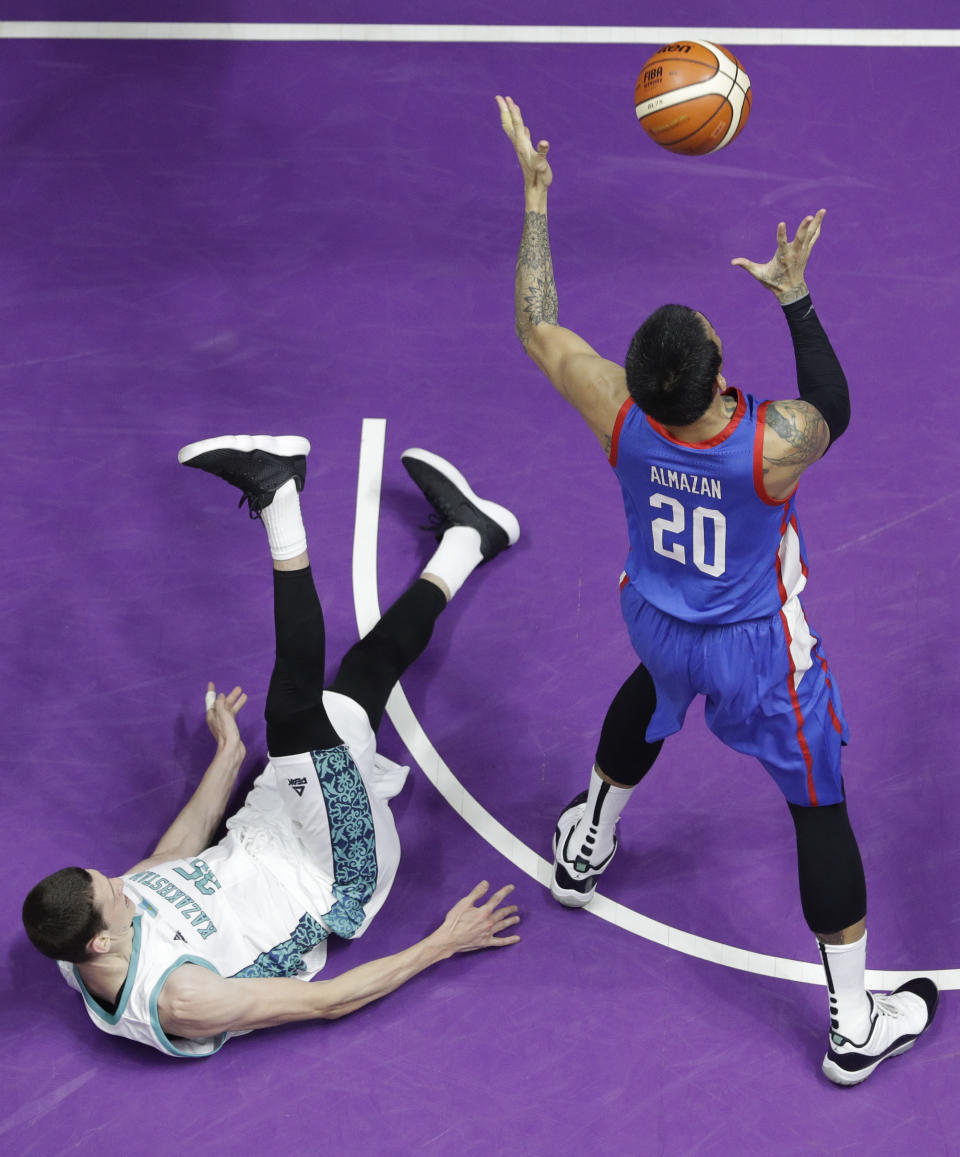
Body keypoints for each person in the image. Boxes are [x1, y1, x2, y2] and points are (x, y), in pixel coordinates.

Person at [496, 94, 937, 1086]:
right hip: (756, 653)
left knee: (648, 697)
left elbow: (537, 323)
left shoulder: (618, 413)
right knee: (820, 808)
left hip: (655, 615)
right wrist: (795, 296)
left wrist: (535, 200)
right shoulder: (766, 447)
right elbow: (834, 405)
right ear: (716, 368)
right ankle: (854, 1021)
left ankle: (586, 847)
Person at [22, 434, 521, 1057]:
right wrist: (443, 942)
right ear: (101, 942)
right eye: (113, 892)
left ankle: (470, 539)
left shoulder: (85, 936)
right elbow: (329, 1001)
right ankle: (279, 496)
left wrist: (227, 758)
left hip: (265, 824)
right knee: (291, 712)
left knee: (362, 675)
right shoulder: (181, 999)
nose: (123, 886)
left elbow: (167, 863)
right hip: (330, 872)